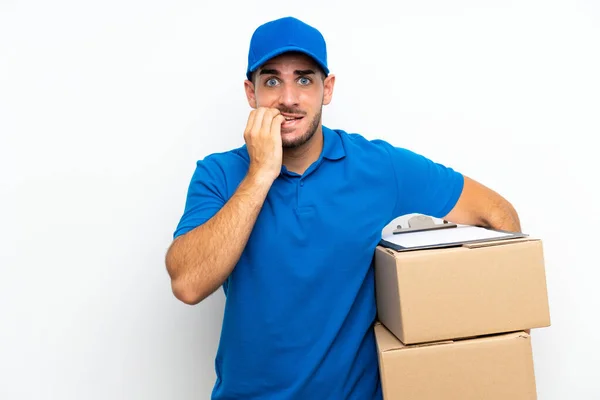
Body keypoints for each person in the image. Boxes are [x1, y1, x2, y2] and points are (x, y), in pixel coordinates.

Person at [165, 16, 521, 400]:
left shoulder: (380, 168)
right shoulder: (219, 174)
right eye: (272, 81)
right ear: (251, 93)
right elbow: (187, 283)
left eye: (304, 79)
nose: (288, 98)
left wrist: (481, 337)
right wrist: (260, 174)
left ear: (327, 88)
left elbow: (497, 215)